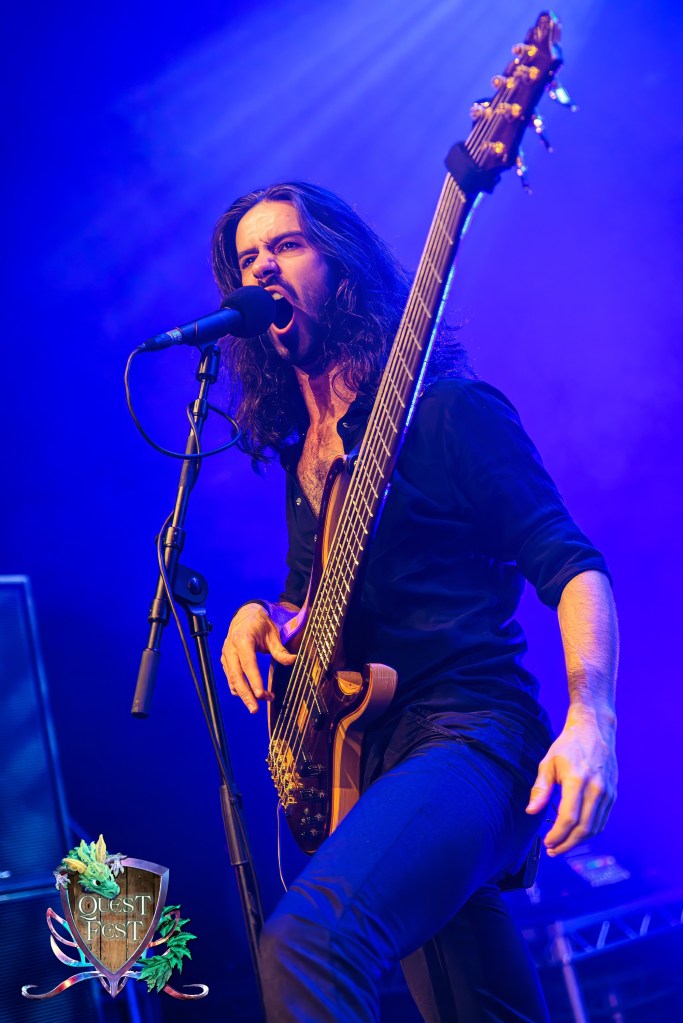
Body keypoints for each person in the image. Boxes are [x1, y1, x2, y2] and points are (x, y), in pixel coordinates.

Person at [213, 181, 618, 1022]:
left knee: (309, 941)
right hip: (376, 772)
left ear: (342, 267)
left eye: (286, 245)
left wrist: (592, 719)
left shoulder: (447, 413)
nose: (262, 269)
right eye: (247, 259)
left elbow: (571, 563)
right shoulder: (304, 458)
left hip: (473, 736)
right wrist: (262, 616)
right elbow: (310, 603)